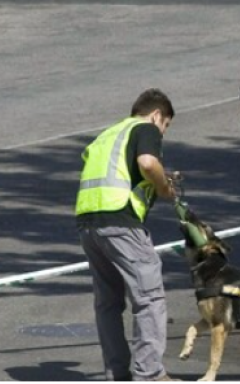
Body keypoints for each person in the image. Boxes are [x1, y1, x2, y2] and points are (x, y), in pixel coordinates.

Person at [75, 89, 178, 382]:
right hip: (121, 221)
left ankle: (117, 373)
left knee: (107, 302)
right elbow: (147, 163)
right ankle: (150, 374)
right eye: (165, 126)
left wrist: (160, 175)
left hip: (88, 222)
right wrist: (164, 188)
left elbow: (121, 170)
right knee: (149, 297)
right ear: (157, 115)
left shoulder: (107, 135)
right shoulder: (145, 128)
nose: (163, 132)